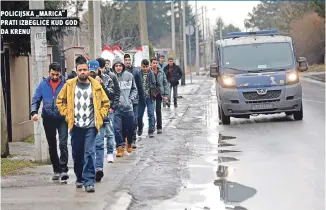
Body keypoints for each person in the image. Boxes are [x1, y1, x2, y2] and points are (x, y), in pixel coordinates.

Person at [56, 57, 110, 193]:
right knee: (77, 154)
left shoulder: (96, 86)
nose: (83, 72)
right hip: (75, 126)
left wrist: (101, 115)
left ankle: (89, 181)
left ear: (88, 70)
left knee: (90, 153)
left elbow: (105, 103)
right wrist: (67, 115)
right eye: (80, 70)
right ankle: (79, 177)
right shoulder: (69, 85)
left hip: (91, 126)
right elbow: (60, 101)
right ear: (76, 70)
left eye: (85, 69)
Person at [30, 62, 69, 181]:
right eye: (53, 74)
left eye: (57, 74)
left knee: (63, 143)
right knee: (52, 145)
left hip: (62, 118)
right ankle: (56, 170)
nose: (55, 77)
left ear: (60, 73)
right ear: (49, 72)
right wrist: (34, 112)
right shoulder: (43, 85)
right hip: (48, 118)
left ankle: (63, 169)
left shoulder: (66, 84)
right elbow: (36, 99)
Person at [112, 57, 138, 157]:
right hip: (117, 108)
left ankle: (129, 142)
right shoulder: (112, 77)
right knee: (117, 129)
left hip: (128, 107)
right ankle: (120, 148)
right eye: (116, 66)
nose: (118, 67)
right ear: (114, 67)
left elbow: (134, 89)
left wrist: (130, 99)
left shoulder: (129, 76)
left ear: (123, 66)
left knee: (130, 128)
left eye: (120, 65)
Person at [124, 54, 141, 148]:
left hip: (134, 100)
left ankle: (133, 139)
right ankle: (126, 139)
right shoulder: (120, 71)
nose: (127, 61)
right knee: (125, 121)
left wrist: (141, 98)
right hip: (124, 101)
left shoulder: (136, 71)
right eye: (126, 60)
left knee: (134, 120)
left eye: (129, 60)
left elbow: (139, 86)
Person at [137, 59, 157, 138]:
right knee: (139, 115)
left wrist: (153, 93)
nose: (145, 68)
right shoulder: (138, 73)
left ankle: (151, 130)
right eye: (143, 67)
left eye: (146, 67)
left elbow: (154, 84)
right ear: (141, 66)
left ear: (149, 66)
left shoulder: (151, 73)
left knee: (151, 113)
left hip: (149, 97)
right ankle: (140, 126)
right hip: (141, 98)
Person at [150, 57, 169, 134]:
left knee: (158, 110)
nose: (155, 64)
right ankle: (152, 126)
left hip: (158, 94)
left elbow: (165, 83)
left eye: (156, 63)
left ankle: (159, 127)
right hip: (151, 93)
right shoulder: (148, 72)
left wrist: (166, 95)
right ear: (151, 63)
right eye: (153, 63)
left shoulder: (161, 72)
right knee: (151, 111)